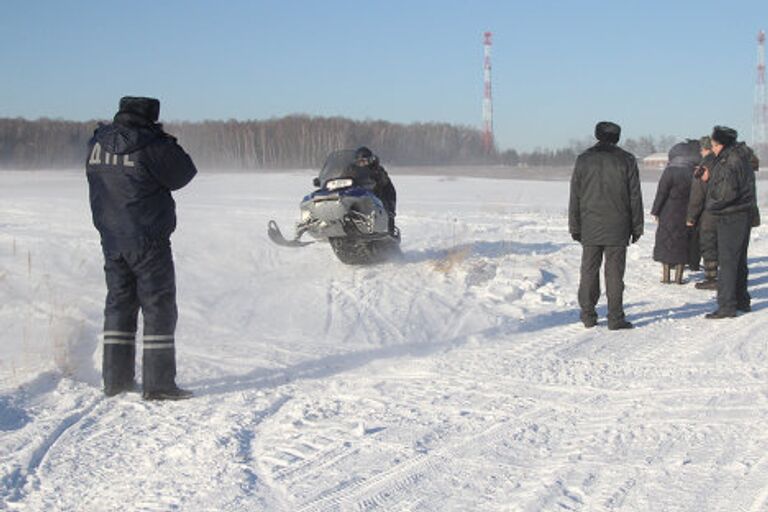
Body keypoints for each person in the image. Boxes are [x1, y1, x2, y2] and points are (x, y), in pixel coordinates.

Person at [86, 96, 197, 399]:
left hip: (111, 237)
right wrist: (164, 140)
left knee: (119, 306)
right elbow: (184, 173)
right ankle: (159, 385)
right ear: (151, 118)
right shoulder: (151, 145)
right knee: (158, 308)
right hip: (148, 239)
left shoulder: (96, 143)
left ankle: (116, 380)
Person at [569, 121, 644, 330]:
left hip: (590, 224)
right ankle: (615, 317)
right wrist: (637, 226)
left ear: (597, 135)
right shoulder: (627, 160)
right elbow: (635, 196)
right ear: (617, 138)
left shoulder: (584, 159)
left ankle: (587, 315)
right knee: (614, 273)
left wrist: (574, 226)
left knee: (588, 271)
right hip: (618, 225)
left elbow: (575, 195)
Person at [701, 126, 755, 319]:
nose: (713, 149)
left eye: (714, 145)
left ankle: (726, 305)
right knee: (738, 260)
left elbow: (726, 193)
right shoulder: (740, 156)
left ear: (722, 144)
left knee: (728, 261)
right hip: (743, 214)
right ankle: (741, 300)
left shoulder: (730, 161)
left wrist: (711, 205)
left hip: (731, 215)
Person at [651, 140, 701, 284]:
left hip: (668, 211)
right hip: (686, 211)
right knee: (682, 242)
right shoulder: (693, 171)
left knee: (666, 241)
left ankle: (666, 276)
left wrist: (656, 210)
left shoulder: (670, 170)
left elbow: (662, 192)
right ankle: (679, 277)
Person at [687, 136, 719, 289]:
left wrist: (691, 216)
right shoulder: (722, 162)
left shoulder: (704, 165)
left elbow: (697, 194)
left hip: (709, 212)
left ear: (704, 149)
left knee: (709, 244)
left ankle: (711, 278)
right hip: (726, 211)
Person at [355, 146, 397, 233]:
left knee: (387, 208)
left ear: (370, 160)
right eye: (360, 162)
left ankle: (389, 231)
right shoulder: (351, 169)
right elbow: (344, 176)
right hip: (355, 194)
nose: (363, 164)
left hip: (375, 195)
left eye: (365, 161)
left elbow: (385, 182)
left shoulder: (377, 170)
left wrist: (377, 178)